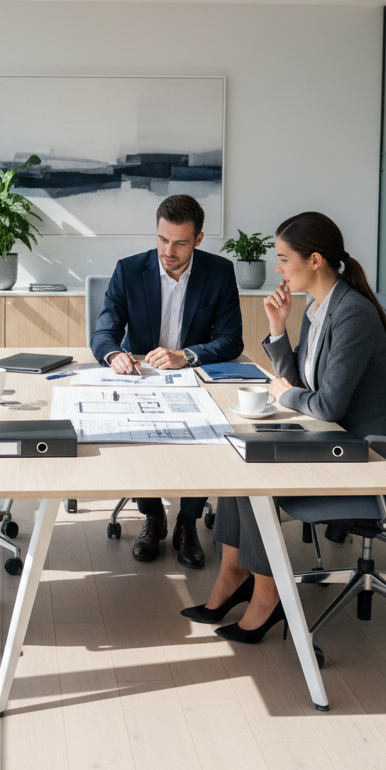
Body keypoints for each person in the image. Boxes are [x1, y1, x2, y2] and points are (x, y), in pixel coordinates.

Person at [181, 211, 386, 641]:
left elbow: (324, 404)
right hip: (337, 437)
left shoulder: (352, 315)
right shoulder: (319, 307)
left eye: (284, 258)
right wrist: (277, 329)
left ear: (314, 260)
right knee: (238, 461)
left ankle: (268, 598)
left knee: (256, 479)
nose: (278, 268)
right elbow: (304, 384)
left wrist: (282, 394)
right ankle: (233, 576)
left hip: (372, 453)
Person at [90, 194, 243, 568]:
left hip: (193, 377)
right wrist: (115, 355)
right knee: (136, 437)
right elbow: (103, 332)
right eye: (162, 239)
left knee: (207, 435)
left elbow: (231, 339)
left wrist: (187, 355)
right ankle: (152, 516)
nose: (168, 250)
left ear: (199, 239)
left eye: (180, 242)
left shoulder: (219, 272)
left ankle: (187, 523)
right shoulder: (129, 270)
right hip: (142, 377)